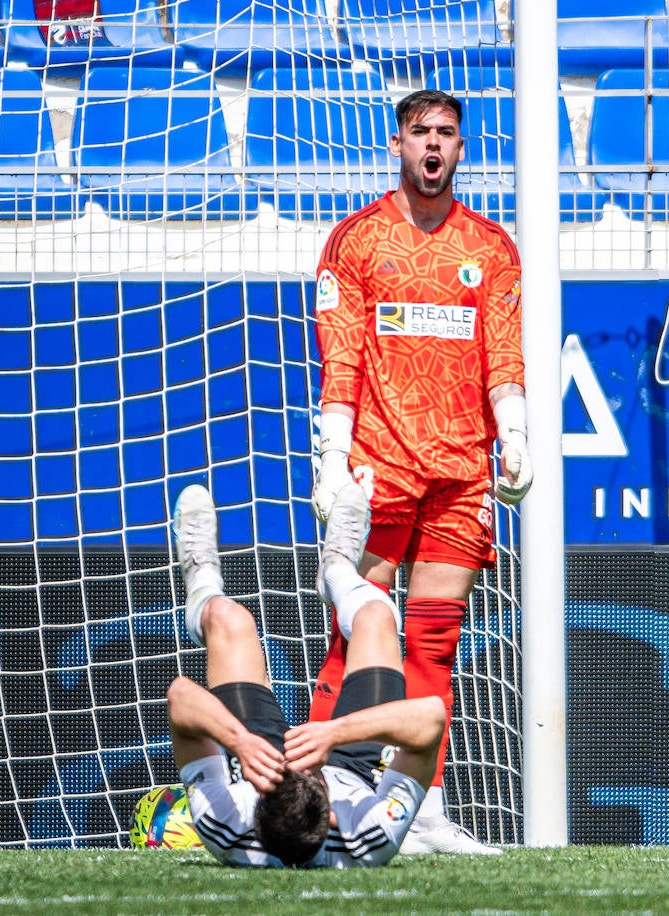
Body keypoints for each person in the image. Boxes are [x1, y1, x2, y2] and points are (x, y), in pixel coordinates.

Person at [307, 88, 530, 854]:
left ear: (461, 148)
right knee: (357, 632)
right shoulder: (358, 241)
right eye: (420, 131)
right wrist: (332, 458)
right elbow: (340, 357)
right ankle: (323, 794)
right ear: (397, 144)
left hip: (461, 471)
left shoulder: (491, 248)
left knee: (434, 642)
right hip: (379, 467)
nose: (433, 143)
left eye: (445, 133)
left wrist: (516, 435)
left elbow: (503, 356)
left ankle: (421, 808)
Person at [169, 482, 448, 867]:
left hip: (257, 757)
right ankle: (338, 570)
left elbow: (180, 696)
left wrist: (240, 743)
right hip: (354, 774)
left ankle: (201, 579)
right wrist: (336, 734)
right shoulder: (367, 837)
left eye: (284, 773)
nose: (297, 762)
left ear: (256, 805)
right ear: (332, 815)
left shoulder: (228, 827)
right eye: (309, 774)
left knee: (226, 618)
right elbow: (431, 716)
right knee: (376, 616)